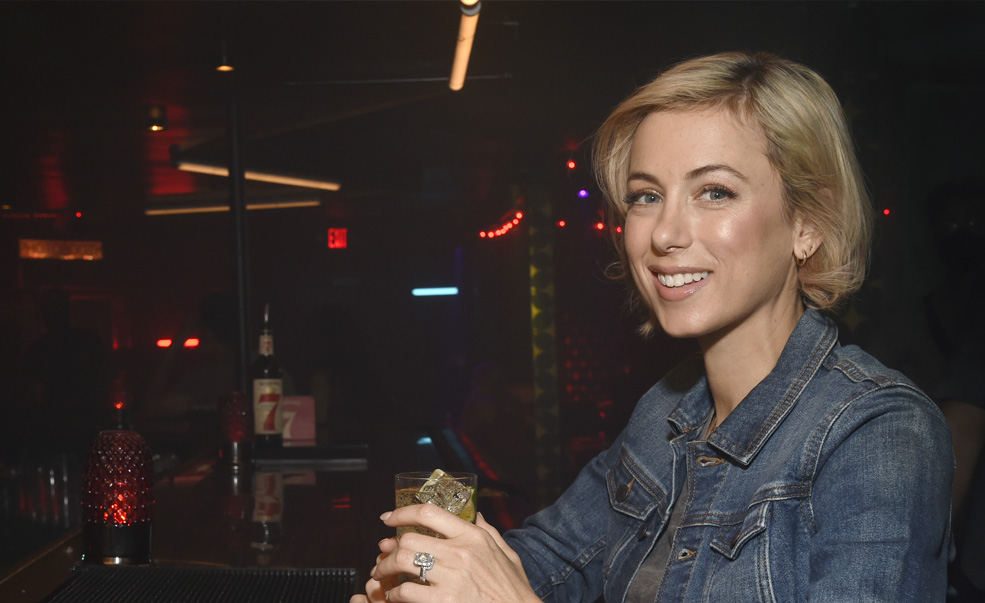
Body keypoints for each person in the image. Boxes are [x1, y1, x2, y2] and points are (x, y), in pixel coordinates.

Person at [352, 51, 953, 602]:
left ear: (808, 223)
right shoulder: (666, 414)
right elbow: (548, 560)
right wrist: (433, 571)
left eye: (714, 192)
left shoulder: (881, 433)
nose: (664, 234)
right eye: (645, 197)